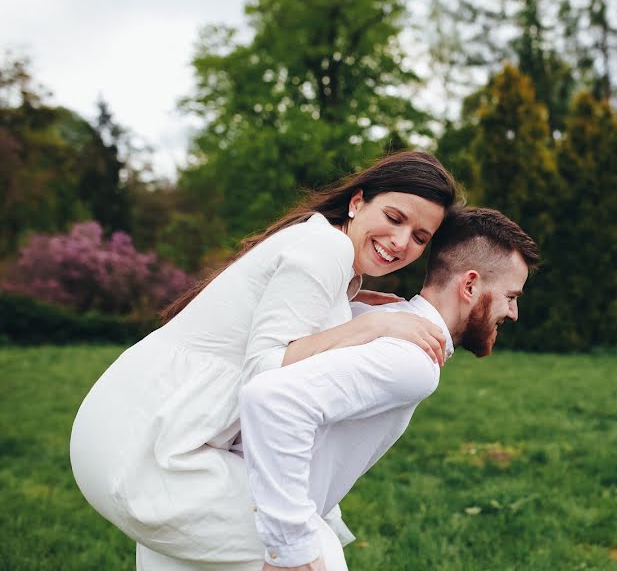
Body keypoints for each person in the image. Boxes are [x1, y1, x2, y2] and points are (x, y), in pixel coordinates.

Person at [69, 151, 460, 570]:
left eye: (420, 237)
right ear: (357, 202)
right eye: (395, 217)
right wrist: (370, 326)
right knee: (308, 546)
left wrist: (351, 301)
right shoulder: (325, 248)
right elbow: (266, 371)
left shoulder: (322, 246)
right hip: (151, 451)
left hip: (120, 427)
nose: (402, 242)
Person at [239, 207, 540, 570]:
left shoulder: (377, 319)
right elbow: (272, 399)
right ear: (470, 285)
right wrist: (293, 552)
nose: (513, 312)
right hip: (250, 521)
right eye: (511, 296)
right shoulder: (414, 358)